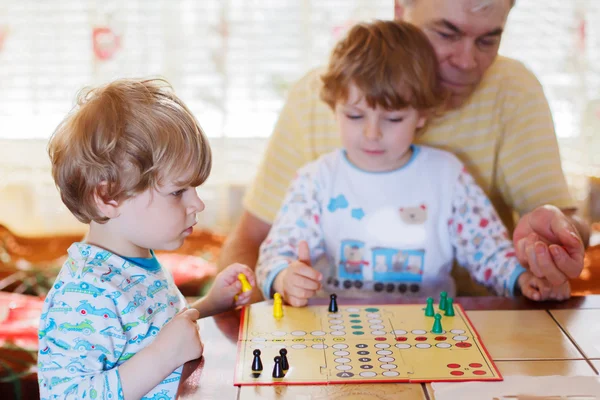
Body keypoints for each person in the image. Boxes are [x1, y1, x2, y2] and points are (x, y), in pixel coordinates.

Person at [219, 0, 588, 302]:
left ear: (422, 116)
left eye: (487, 40)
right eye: (446, 32)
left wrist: (526, 275)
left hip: (436, 329)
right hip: (335, 331)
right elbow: (271, 250)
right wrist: (283, 278)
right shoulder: (316, 178)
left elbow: (488, 250)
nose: (372, 133)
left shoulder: (448, 173)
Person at [37, 79, 256, 400]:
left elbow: (152, 331)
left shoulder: (136, 261)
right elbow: (69, 395)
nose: (197, 204)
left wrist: (211, 304)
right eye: (178, 191)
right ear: (108, 196)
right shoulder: (83, 294)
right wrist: (164, 357)